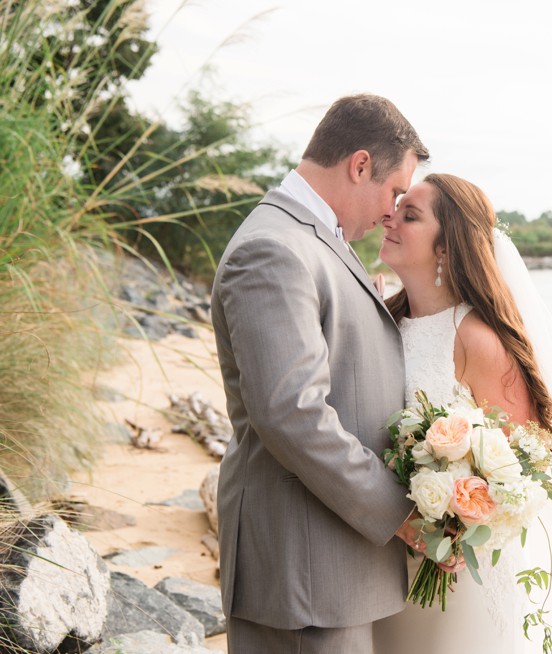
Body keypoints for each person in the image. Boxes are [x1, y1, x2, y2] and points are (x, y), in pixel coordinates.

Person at [210, 94, 432, 654]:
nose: (392, 209)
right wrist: (398, 512)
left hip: (328, 566)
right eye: (394, 190)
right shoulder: (273, 248)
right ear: (359, 165)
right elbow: (292, 413)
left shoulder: (314, 236)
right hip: (303, 571)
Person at [373, 173, 552, 653]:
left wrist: (457, 525)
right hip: (390, 553)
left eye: (411, 215)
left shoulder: (476, 338)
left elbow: (523, 463)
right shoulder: (386, 318)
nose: (390, 217)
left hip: (460, 566)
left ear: (446, 248)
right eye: (396, 208)